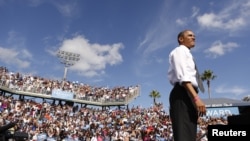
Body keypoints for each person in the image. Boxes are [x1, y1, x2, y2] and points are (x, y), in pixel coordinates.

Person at [167, 29, 207, 141]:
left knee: (189, 135)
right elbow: (183, 78)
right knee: (184, 136)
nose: (193, 37)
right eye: (190, 35)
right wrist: (196, 99)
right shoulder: (180, 51)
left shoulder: (188, 54)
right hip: (182, 93)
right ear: (181, 39)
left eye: (194, 35)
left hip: (189, 94)